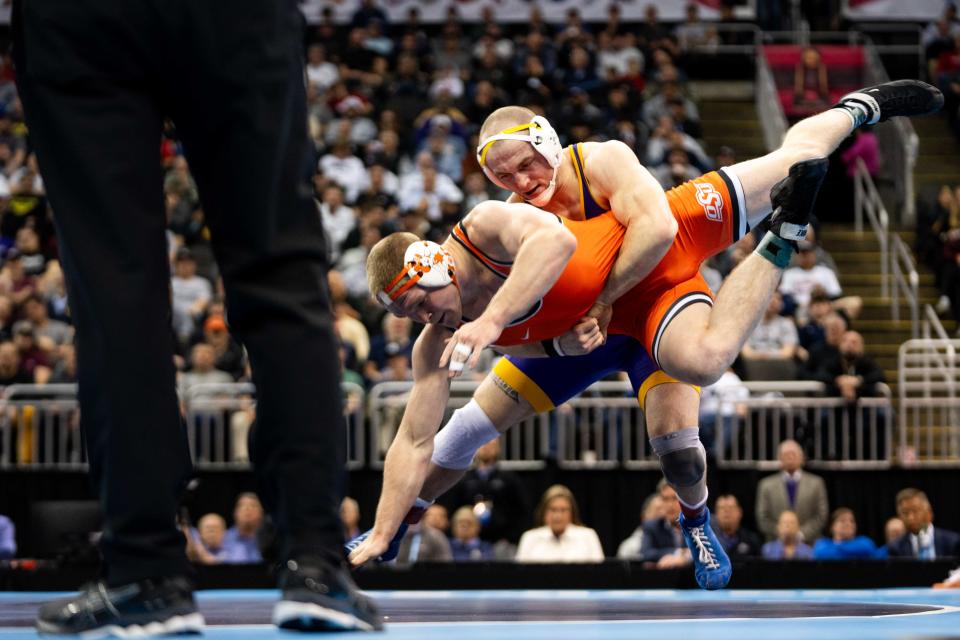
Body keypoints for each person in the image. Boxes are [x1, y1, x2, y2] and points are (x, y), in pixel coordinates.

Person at [348, 82, 942, 591]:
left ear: (547, 143)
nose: (523, 180)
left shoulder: (581, 172)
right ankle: (402, 523)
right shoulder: (485, 257)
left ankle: (857, 112)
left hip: (657, 276)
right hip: (573, 333)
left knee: (686, 435)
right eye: (503, 175)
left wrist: (567, 308)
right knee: (462, 431)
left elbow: (649, 229)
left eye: (527, 163)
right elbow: (412, 438)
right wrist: (383, 522)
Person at [15, 0, 381, 634]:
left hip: (79, 22)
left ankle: (145, 572)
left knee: (114, 290)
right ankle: (316, 564)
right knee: (279, 273)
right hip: (234, 18)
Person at [755, 440, 829, 543]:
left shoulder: (816, 483)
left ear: (802, 458)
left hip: (809, 544)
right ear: (779, 459)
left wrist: (801, 534)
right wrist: (783, 532)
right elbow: (762, 517)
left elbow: (821, 515)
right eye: (786, 454)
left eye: (793, 454)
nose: (790, 457)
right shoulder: (766, 485)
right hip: (776, 547)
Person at [515, 485, 604, 563]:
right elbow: (520, 577)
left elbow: (600, 576)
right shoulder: (530, 538)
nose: (558, 516)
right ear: (543, 512)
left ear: (572, 512)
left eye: (563, 510)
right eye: (553, 510)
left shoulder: (588, 537)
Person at [887, 488, 960, 559]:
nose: (910, 517)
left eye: (915, 511)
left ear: (929, 512)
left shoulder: (953, 542)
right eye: (905, 513)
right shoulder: (896, 548)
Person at [811, 507, 879, 560]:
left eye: (852, 521)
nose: (848, 524)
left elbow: (867, 549)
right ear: (832, 527)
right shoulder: (822, 544)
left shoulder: (864, 542)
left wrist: (837, 548)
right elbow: (820, 553)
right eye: (842, 520)